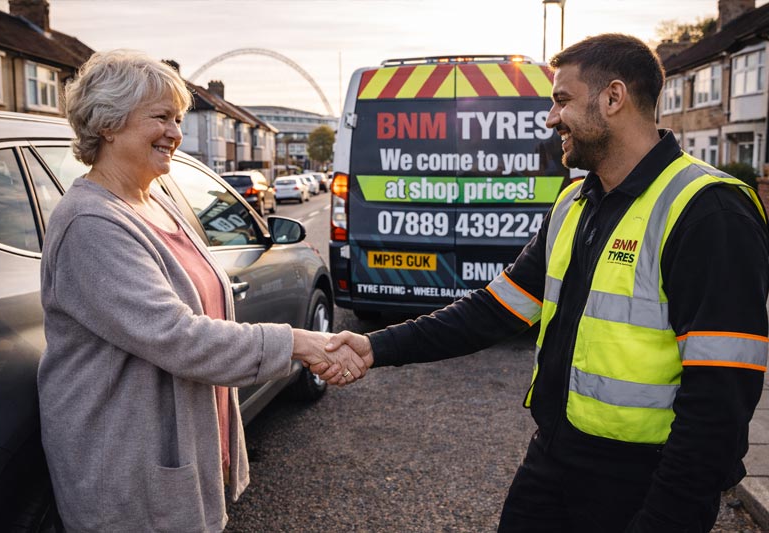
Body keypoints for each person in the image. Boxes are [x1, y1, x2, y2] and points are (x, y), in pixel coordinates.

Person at [325, 33, 769, 532]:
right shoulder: (576, 202)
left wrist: (667, 516)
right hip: (555, 460)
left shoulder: (708, 210)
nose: (551, 117)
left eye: (561, 100)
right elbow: (494, 310)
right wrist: (373, 346)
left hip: (641, 481)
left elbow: (721, 397)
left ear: (613, 98)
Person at [38, 50, 363, 532]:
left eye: (179, 118)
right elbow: (177, 336)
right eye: (161, 117)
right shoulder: (91, 223)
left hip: (180, 449)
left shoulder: (158, 201)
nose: (175, 132)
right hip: (129, 473)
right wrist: (298, 342)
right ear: (108, 124)